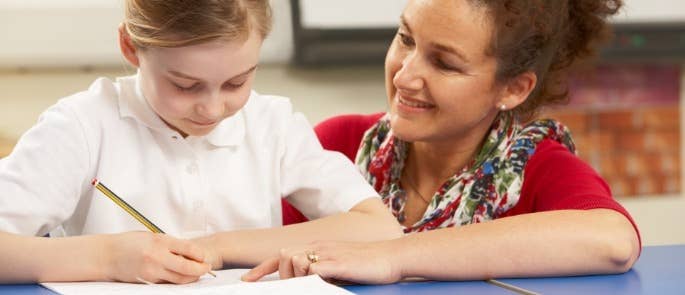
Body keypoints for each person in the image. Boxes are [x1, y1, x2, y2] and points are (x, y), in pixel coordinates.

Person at [0, 0, 401, 284]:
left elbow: (380, 229)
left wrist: (219, 247)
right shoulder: (82, 126)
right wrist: (108, 257)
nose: (211, 108)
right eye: (185, 85)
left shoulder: (271, 124)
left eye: (237, 82)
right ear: (131, 48)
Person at [244, 0, 641, 284]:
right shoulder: (340, 142)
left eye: (445, 63)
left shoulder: (538, 166)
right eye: (405, 38)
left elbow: (614, 240)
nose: (404, 76)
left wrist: (391, 256)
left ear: (514, 89)